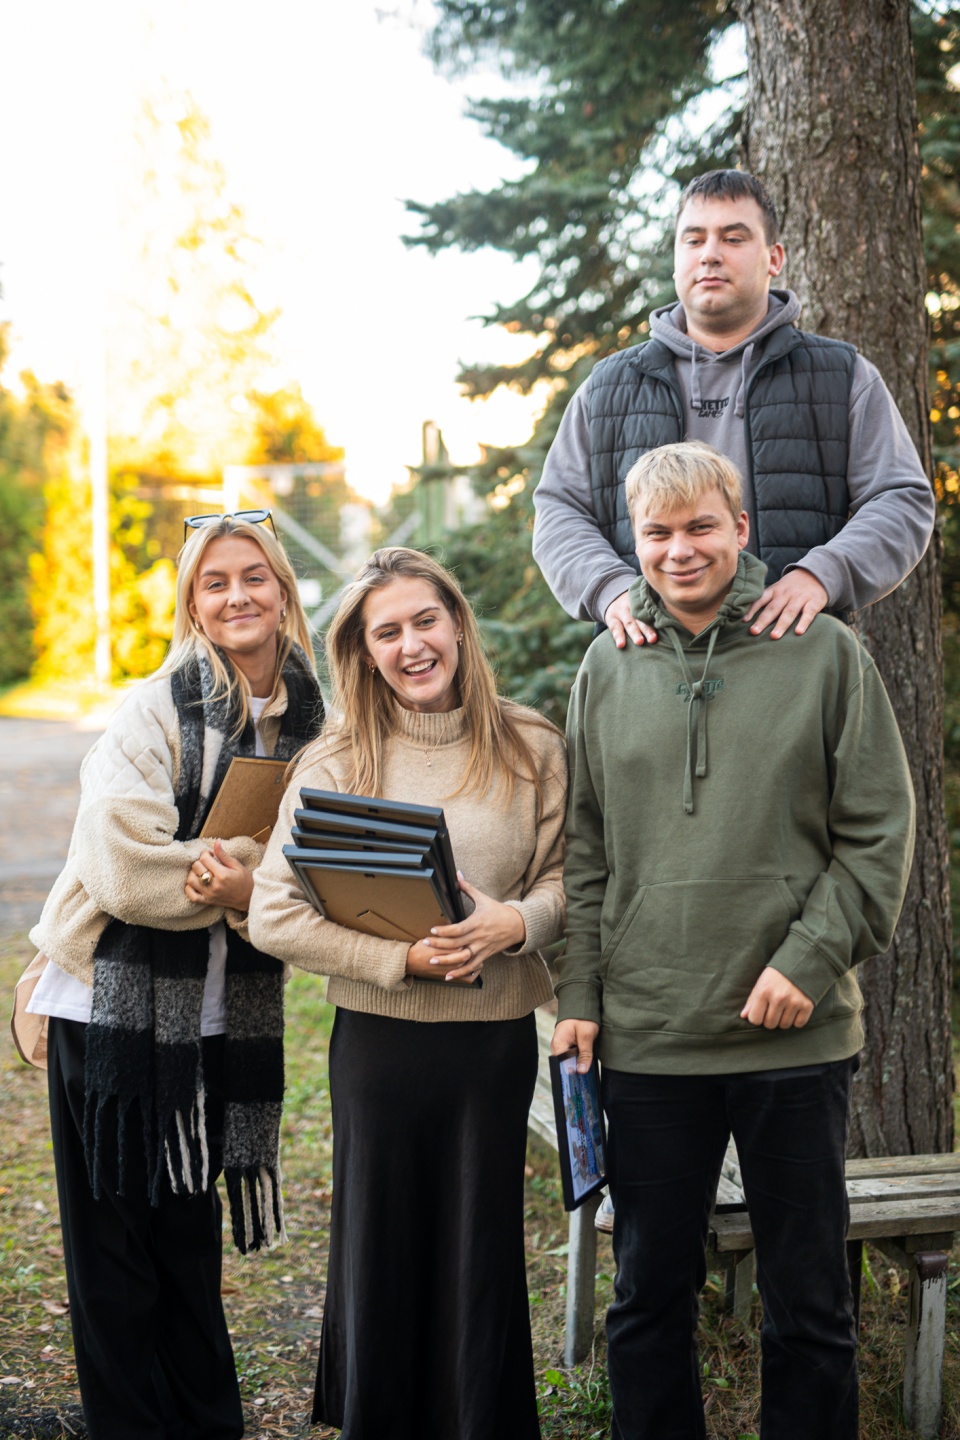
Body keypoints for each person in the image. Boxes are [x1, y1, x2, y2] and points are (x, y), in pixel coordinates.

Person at [553, 442, 915, 1440]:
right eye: (658, 533)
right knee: (646, 1298)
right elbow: (583, 851)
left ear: (741, 528)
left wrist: (809, 960)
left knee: (811, 1303)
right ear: (635, 543)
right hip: (651, 1037)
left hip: (793, 1036)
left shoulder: (823, 651)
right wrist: (579, 993)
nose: (680, 550)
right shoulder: (608, 662)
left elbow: (878, 833)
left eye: (701, 526)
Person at [248, 546, 567, 1440]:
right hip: (379, 1046)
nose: (412, 644)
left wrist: (515, 924)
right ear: (364, 651)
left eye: (426, 620)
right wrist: (399, 961)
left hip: (490, 1045)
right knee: (380, 1243)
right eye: (387, 632)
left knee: (479, 1245)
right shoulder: (336, 761)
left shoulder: (533, 745)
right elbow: (273, 912)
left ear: (458, 623)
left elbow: (574, 881)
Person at [22, 511, 325, 1440]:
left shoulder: (317, 719)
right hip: (108, 1011)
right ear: (193, 604)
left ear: (284, 590)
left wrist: (251, 884)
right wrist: (250, 878)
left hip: (218, 1014)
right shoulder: (152, 710)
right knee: (114, 1250)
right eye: (214, 582)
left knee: (189, 1242)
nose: (237, 596)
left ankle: (207, 1421)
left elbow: (322, 858)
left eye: (254, 576)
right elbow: (122, 865)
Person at [532, 168, 936, 648]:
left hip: (792, 659)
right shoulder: (609, 386)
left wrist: (821, 575)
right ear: (676, 259)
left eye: (733, 237)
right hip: (648, 662)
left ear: (774, 258)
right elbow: (559, 509)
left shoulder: (841, 375)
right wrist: (609, 589)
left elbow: (901, 499)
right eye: (694, 239)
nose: (710, 254)